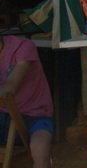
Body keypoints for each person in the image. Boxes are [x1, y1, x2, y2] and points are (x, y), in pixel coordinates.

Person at [0, 35, 53, 167]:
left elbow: (9, 88)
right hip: (2, 114)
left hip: (35, 113)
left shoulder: (23, 46)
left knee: (40, 150)